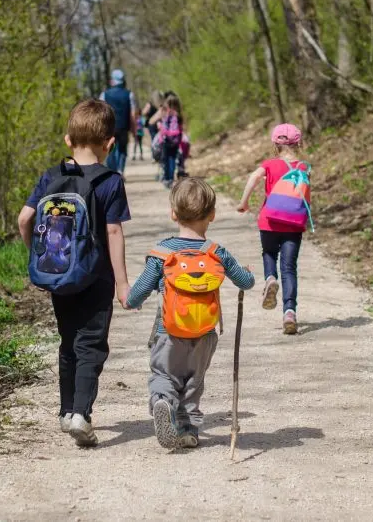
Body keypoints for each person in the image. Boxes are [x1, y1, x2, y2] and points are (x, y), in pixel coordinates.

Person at [18, 98, 132, 447]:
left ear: (68, 140)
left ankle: (67, 411)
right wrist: (123, 284)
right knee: (91, 344)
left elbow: (24, 219)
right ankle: (82, 414)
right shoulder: (111, 181)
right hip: (95, 278)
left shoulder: (51, 177)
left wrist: (40, 256)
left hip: (59, 272)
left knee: (68, 341)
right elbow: (113, 232)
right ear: (110, 143)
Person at [126, 178, 254, 449]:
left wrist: (129, 300)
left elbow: (139, 291)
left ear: (174, 214)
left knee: (164, 375)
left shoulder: (162, 253)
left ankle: (162, 401)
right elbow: (245, 282)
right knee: (194, 381)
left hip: (168, 331)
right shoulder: (217, 253)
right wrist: (249, 274)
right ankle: (187, 429)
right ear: (212, 215)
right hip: (205, 332)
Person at [236, 123, 309, 335]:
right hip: (293, 223)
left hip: (269, 220)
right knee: (289, 267)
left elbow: (253, 178)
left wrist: (244, 202)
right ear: (298, 143)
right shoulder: (303, 167)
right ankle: (289, 312)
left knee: (269, 252)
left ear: (275, 144)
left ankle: (270, 278)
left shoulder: (269, 164)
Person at [99, 69, 138, 175]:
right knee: (122, 149)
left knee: (110, 149)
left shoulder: (104, 94)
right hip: (124, 127)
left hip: (109, 128)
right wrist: (134, 129)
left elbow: (100, 113)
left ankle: (113, 172)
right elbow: (133, 114)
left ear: (113, 81)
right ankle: (120, 170)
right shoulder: (129, 94)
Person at [150, 93, 183, 188]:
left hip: (166, 140)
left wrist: (159, 125)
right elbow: (181, 128)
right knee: (173, 159)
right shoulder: (179, 114)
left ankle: (167, 178)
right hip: (176, 140)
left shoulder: (164, 112)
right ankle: (171, 179)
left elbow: (151, 121)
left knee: (165, 159)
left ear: (167, 103)